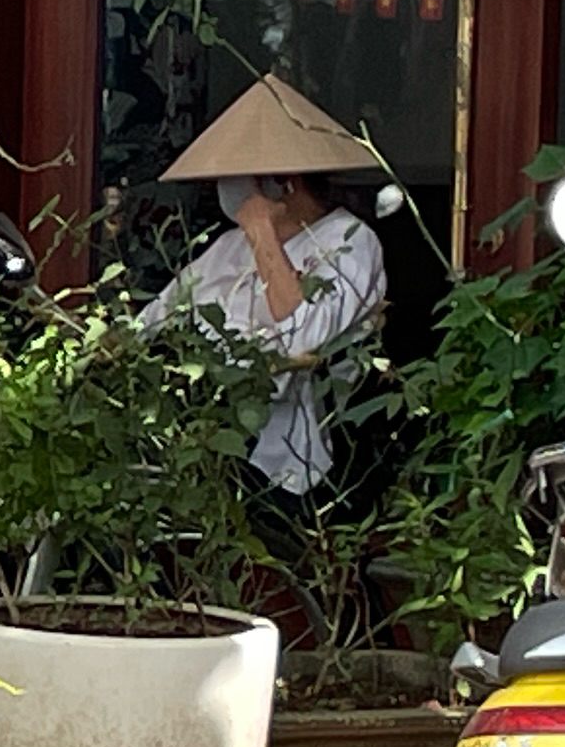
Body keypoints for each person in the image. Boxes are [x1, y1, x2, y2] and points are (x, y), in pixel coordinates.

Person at [137, 74, 390, 495]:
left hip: (281, 456)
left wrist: (264, 235)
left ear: (283, 180)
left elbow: (300, 337)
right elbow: (155, 319)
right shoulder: (227, 246)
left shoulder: (351, 242)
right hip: (191, 431)